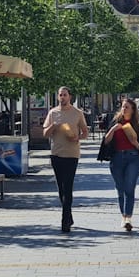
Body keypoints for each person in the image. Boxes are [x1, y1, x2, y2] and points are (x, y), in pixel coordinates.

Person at [42, 86, 89, 232]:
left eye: (65, 95)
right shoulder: (53, 113)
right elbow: (45, 133)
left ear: (70, 97)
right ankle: (69, 216)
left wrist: (78, 137)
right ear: (58, 97)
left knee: (68, 187)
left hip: (71, 154)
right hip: (56, 154)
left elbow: (85, 132)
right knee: (60, 188)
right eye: (60, 95)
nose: (62, 97)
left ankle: (65, 221)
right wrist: (53, 126)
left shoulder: (77, 113)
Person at [103, 98, 139, 231]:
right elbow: (106, 142)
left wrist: (135, 142)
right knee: (120, 189)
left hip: (133, 158)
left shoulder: (137, 126)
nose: (124, 109)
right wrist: (113, 129)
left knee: (129, 188)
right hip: (117, 158)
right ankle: (123, 217)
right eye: (123, 107)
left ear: (133, 110)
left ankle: (128, 218)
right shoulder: (115, 122)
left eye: (127, 107)